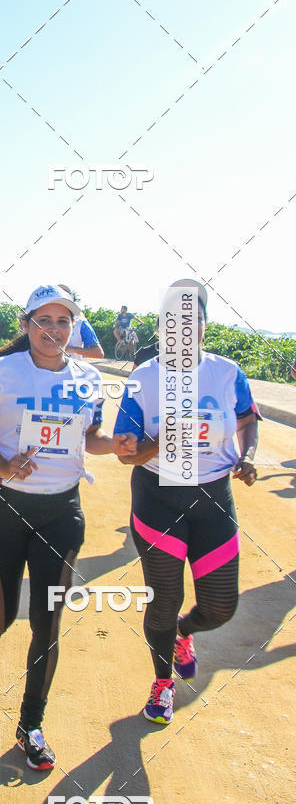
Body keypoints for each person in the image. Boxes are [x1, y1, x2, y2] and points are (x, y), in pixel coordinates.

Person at [0, 284, 136, 770]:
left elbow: (90, 437)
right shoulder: (0, 373)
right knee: (4, 616)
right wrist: (2, 463)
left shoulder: (89, 378)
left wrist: (114, 445)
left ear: (73, 329)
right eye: (44, 321)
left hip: (61, 512)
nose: (53, 330)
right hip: (3, 509)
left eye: (63, 322)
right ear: (27, 325)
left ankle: (30, 725)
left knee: (47, 622)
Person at [113, 279, 261, 725]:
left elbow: (246, 419)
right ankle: (162, 683)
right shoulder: (144, 378)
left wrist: (248, 456)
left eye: (191, 319)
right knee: (164, 598)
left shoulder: (227, 373)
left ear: (203, 325)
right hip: (158, 496)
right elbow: (126, 453)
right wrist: (162, 440)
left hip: (214, 496)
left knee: (220, 607)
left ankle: (183, 631)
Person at [58, 285, 104, 363]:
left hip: (73, 369)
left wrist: (72, 349)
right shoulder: (42, 322)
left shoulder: (80, 323)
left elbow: (98, 353)